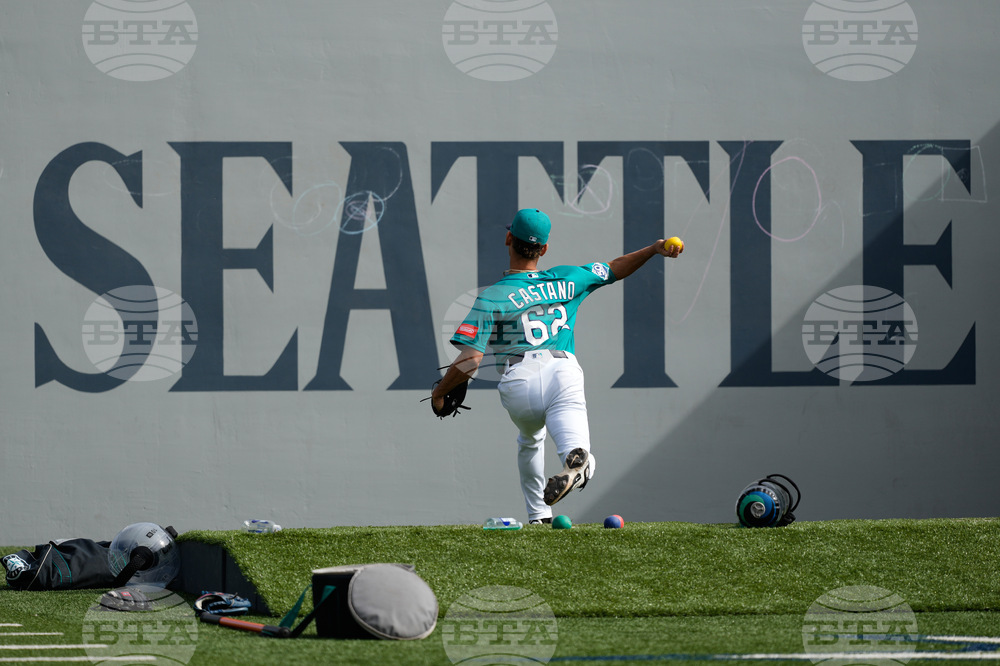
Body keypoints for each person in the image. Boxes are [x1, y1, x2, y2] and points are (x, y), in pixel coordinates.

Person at [432, 209, 683, 524]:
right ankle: (575, 466)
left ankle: (539, 515)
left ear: (509, 238)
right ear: (544, 249)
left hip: (518, 380)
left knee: (529, 438)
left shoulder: (492, 296)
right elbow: (613, 269)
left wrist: (440, 392)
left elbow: (471, 360)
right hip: (563, 373)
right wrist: (653, 249)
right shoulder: (567, 278)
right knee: (581, 457)